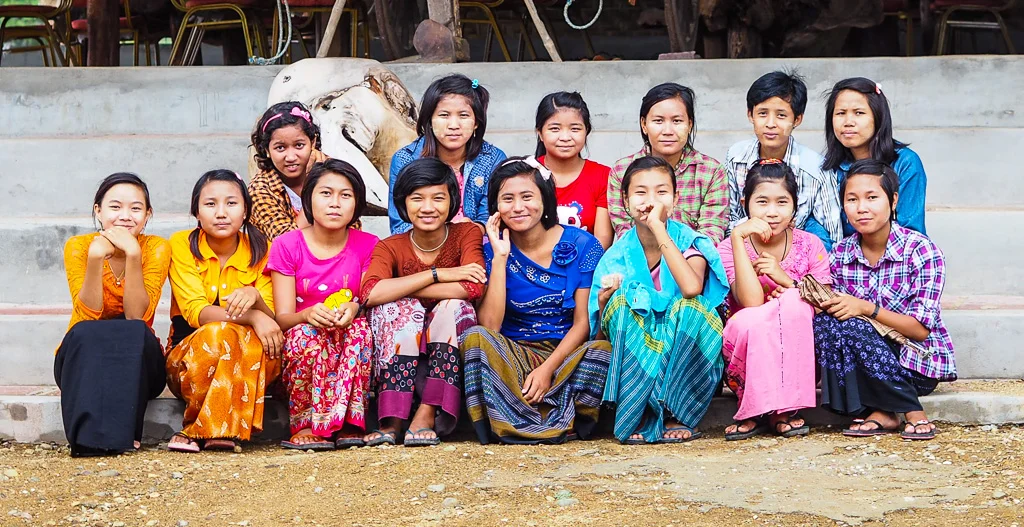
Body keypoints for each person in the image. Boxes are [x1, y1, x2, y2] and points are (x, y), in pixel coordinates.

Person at [460, 156, 610, 445]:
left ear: (545, 199)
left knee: (601, 351)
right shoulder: (491, 251)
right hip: (512, 356)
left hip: (565, 355)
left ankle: (532, 415)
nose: (518, 207)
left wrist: (547, 370)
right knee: (476, 338)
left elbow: (582, 324)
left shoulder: (583, 245)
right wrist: (501, 257)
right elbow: (490, 325)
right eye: (507, 199)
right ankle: (540, 419)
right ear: (496, 207)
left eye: (527, 196)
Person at [591, 156, 729, 445]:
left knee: (690, 308)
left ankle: (679, 413)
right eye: (640, 193)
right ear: (626, 200)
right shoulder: (615, 257)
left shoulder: (690, 241)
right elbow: (601, 334)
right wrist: (606, 303)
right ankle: (638, 410)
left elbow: (692, 288)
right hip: (640, 351)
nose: (650, 201)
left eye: (661, 192)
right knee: (620, 305)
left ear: (676, 199)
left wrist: (659, 229)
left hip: (686, 351)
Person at [816, 159, 955, 441]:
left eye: (871, 198)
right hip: (862, 362)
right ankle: (888, 411)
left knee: (855, 325)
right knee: (826, 324)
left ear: (893, 201)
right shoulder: (840, 254)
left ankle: (906, 407)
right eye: (852, 199)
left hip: (914, 362)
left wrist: (867, 308)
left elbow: (919, 330)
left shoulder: (921, 250)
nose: (861, 208)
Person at [361, 158, 484, 447]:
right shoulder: (390, 246)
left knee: (451, 307)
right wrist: (437, 274)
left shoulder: (466, 234)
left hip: (450, 339)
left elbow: (472, 287)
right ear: (404, 203)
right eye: (417, 198)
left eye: (438, 198)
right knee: (395, 309)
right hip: (405, 342)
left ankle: (428, 411)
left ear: (452, 200)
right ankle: (392, 418)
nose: (428, 207)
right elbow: (370, 293)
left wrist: (403, 289)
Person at [165, 170, 283, 453]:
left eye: (231, 203)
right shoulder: (181, 244)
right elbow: (196, 312)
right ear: (196, 212)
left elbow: (275, 320)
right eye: (210, 204)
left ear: (246, 211)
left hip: (254, 360)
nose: (221, 213)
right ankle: (217, 426)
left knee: (238, 336)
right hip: (188, 361)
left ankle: (202, 428)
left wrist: (256, 297)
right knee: (219, 332)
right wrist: (253, 315)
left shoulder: (264, 250)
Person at [266, 159, 379, 450]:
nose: (335, 203)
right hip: (302, 346)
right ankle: (305, 423)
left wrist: (354, 308)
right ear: (309, 199)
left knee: (360, 331)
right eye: (325, 193)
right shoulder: (287, 245)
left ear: (357, 204)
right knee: (306, 335)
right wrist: (307, 314)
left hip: (348, 336)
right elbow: (283, 318)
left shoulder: (369, 244)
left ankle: (350, 422)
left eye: (345, 195)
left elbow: (367, 299)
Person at [56, 173, 170, 456]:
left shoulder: (155, 247)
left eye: (135, 208)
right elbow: (87, 317)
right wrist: (96, 258)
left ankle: (122, 433)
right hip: (82, 360)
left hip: (140, 362)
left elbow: (136, 317)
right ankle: (86, 438)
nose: (125, 216)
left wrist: (133, 255)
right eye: (115, 207)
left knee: (133, 332)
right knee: (85, 333)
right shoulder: (79, 247)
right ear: (98, 211)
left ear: (147, 214)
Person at [716, 160, 831, 441]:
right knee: (750, 319)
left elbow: (825, 301)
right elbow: (751, 302)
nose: (772, 212)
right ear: (745, 204)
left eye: (782, 202)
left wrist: (786, 281)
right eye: (762, 202)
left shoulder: (810, 244)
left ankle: (782, 409)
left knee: (793, 301)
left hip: (797, 351)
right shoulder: (729, 247)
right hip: (746, 344)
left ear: (795, 205)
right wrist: (738, 235)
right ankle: (758, 407)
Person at [725, 71, 842, 250]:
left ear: (797, 119)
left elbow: (832, 235)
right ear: (750, 115)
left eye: (781, 115)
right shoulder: (736, 157)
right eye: (762, 113)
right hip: (744, 251)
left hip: (795, 256)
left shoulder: (815, 168)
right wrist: (749, 225)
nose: (771, 123)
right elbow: (727, 220)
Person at [607, 83, 729, 243]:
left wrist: (677, 260)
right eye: (658, 121)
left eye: (677, 121)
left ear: (690, 124)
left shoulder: (711, 172)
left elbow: (711, 235)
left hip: (693, 263)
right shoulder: (621, 171)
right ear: (644, 124)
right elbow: (625, 232)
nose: (668, 130)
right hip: (639, 262)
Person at [388, 74, 507, 234]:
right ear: (429, 120)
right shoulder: (405, 159)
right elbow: (399, 225)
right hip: (421, 246)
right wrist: (442, 235)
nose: (453, 125)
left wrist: (471, 229)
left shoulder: (493, 159)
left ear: (476, 122)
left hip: (475, 244)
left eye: (463, 115)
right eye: (444, 115)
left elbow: (491, 217)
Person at [821, 77, 927, 236]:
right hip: (842, 257)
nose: (848, 122)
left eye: (859, 113)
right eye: (841, 113)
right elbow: (822, 227)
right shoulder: (828, 169)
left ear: (878, 117)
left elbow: (911, 230)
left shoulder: (905, 163)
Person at [534, 91, 613, 248]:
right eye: (555, 129)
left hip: (585, 267)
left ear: (586, 132)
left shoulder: (603, 176)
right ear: (540, 133)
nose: (565, 137)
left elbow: (601, 243)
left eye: (575, 129)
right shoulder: (525, 173)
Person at [248, 101, 328, 240]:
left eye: (299, 145)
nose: (291, 157)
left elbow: (352, 228)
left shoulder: (333, 175)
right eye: (280, 148)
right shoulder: (260, 189)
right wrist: (314, 185)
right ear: (267, 150)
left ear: (312, 143)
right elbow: (287, 242)